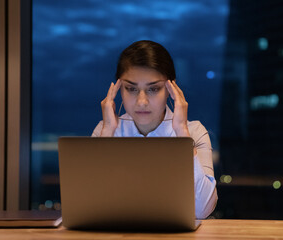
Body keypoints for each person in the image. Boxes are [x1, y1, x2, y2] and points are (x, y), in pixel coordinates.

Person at [92, 40, 217, 219]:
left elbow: (203, 210)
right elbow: (92, 207)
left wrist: (182, 133)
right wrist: (107, 135)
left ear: (171, 89)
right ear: (119, 90)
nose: (142, 101)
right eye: (131, 88)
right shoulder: (106, 130)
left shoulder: (193, 131)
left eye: (153, 89)